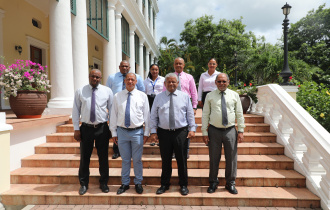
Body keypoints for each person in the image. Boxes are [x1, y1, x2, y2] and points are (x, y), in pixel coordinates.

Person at [150, 73, 196, 196]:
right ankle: (164, 184)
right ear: (164, 84)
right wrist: (153, 131)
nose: (171, 84)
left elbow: (190, 114)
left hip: (181, 132)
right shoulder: (158, 97)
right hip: (164, 133)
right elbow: (153, 115)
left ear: (178, 83)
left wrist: (192, 129)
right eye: (168, 82)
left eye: (173, 82)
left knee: (181, 160)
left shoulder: (184, 97)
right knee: (165, 160)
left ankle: (183, 185)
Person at [201, 73, 245, 194]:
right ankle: (213, 182)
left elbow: (239, 114)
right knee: (214, 158)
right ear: (215, 82)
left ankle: (230, 183)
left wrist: (241, 130)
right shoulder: (210, 96)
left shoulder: (234, 95)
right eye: (219, 81)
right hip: (214, 131)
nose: (221, 84)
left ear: (228, 82)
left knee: (231, 158)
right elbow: (205, 115)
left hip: (230, 130)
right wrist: (204, 132)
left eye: (224, 81)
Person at [72, 69, 113, 195]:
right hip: (86, 129)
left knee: (103, 157)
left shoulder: (107, 91)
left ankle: (104, 183)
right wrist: (76, 129)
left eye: (97, 77)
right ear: (89, 76)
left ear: (101, 78)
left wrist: (112, 128)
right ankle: (84, 184)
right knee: (85, 157)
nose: (95, 79)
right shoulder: (80, 91)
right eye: (93, 76)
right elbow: (75, 110)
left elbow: (111, 111)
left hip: (102, 128)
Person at [110, 72, 150, 195]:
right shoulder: (117, 96)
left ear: (136, 81)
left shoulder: (142, 96)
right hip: (122, 132)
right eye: (128, 79)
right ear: (124, 81)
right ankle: (125, 183)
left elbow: (147, 115)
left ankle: (138, 183)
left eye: (132, 79)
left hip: (137, 131)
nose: (130, 81)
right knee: (125, 160)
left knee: (137, 160)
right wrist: (113, 132)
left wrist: (147, 132)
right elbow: (113, 115)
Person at [106, 60, 145, 159]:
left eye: (127, 66)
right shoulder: (112, 77)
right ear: (119, 67)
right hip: (116, 105)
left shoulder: (138, 77)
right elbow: (108, 91)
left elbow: (142, 90)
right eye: (123, 66)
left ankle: (131, 151)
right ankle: (116, 150)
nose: (125, 68)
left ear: (130, 67)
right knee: (117, 127)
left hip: (132, 105)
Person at [163, 57, 198, 159]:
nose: (178, 65)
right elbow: (163, 92)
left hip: (185, 105)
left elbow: (194, 92)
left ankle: (185, 151)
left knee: (186, 129)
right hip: (172, 104)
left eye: (180, 63)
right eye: (176, 63)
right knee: (174, 128)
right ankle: (173, 151)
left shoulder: (189, 77)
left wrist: (194, 107)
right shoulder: (169, 77)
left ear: (183, 65)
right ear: (174, 65)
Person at [143, 64, 165, 146]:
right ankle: (152, 139)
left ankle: (159, 139)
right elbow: (144, 93)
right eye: (153, 69)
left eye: (156, 69)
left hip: (160, 99)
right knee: (151, 119)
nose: (154, 71)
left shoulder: (163, 79)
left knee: (159, 119)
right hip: (149, 100)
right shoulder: (146, 81)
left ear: (158, 70)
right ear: (150, 70)